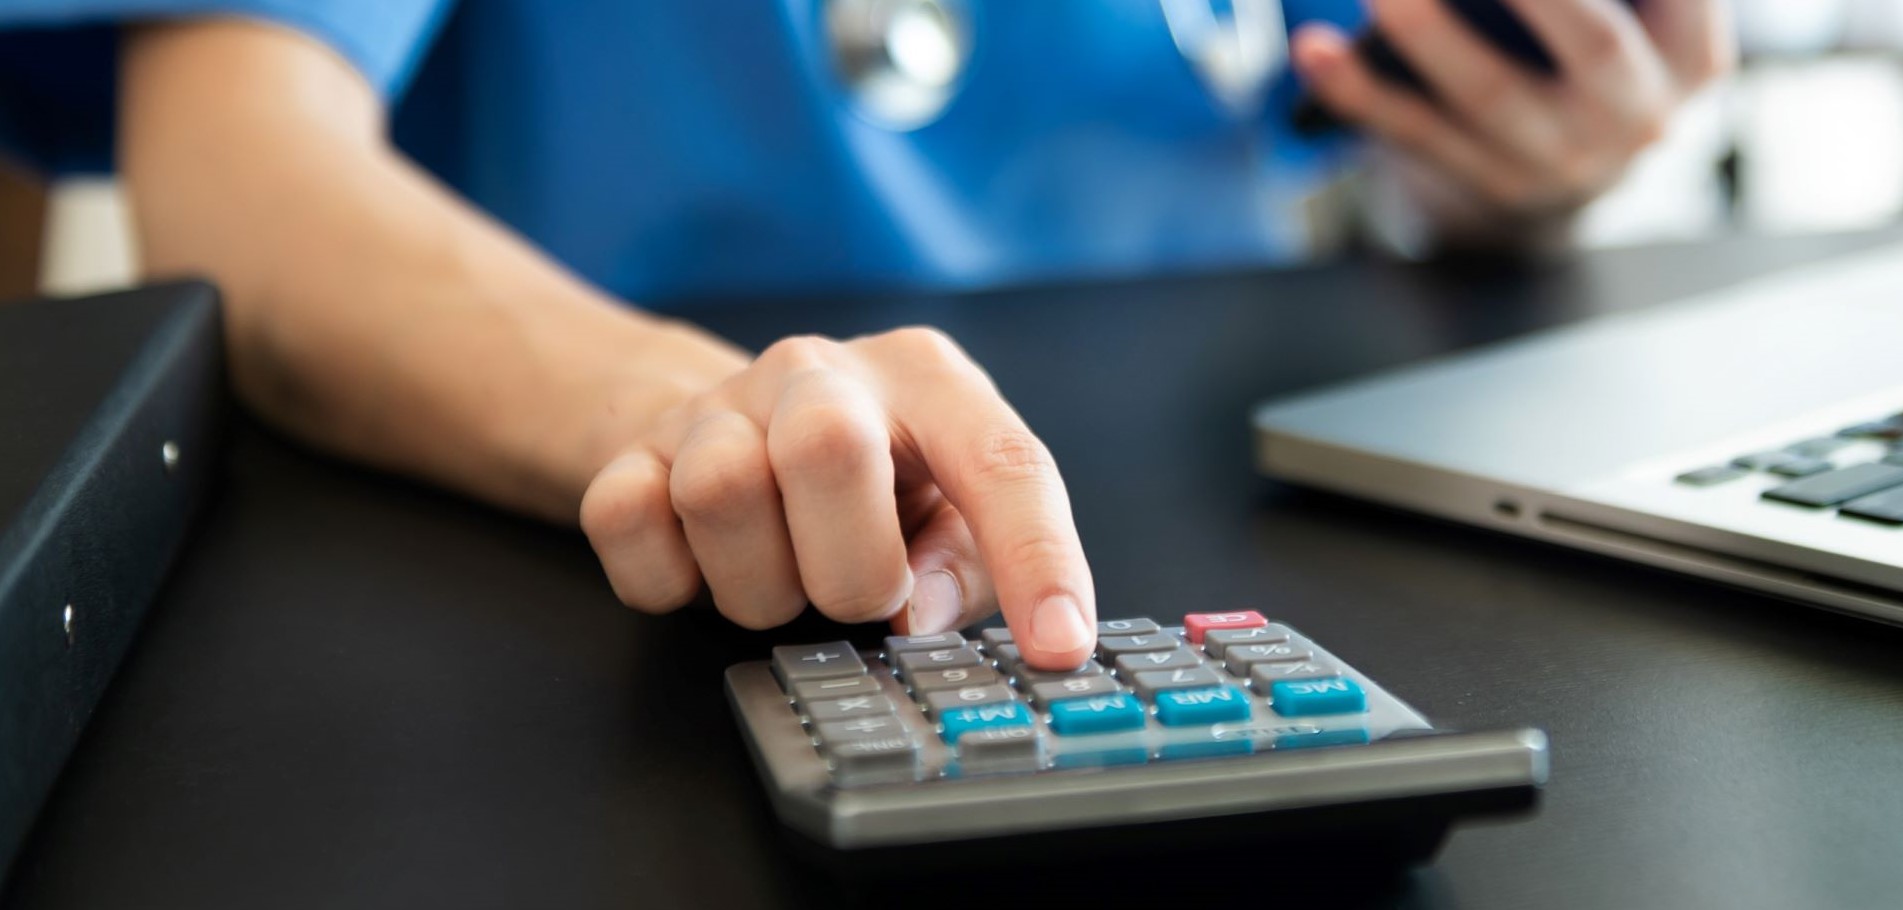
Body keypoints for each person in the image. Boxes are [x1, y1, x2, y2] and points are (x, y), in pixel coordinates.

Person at [0, 0, 1732, 669]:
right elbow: (241, 191)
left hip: (1246, 530)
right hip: (582, 578)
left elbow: (1379, 99)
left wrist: (1536, 170)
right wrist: (696, 408)